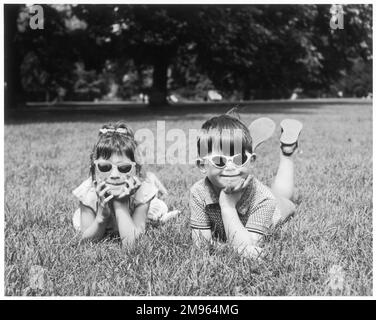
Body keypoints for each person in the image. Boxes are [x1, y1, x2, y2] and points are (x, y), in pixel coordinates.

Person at [189, 110, 302, 258]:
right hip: (249, 191)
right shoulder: (199, 191)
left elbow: (247, 247)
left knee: (283, 198)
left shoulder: (265, 199)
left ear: (252, 161)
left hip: (276, 209)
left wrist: (228, 206)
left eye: (238, 159)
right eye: (219, 160)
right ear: (202, 165)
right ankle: (240, 151)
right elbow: (201, 245)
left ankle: (287, 153)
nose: (230, 167)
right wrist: (232, 247)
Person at [72, 122, 179, 246]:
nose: (115, 175)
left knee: (156, 212)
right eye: (105, 167)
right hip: (97, 217)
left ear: (136, 170)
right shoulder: (88, 192)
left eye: (124, 168)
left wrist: (120, 205)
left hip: (133, 215)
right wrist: (101, 217)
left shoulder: (142, 193)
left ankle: (161, 218)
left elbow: (131, 244)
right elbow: (86, 242)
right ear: (94, 170)